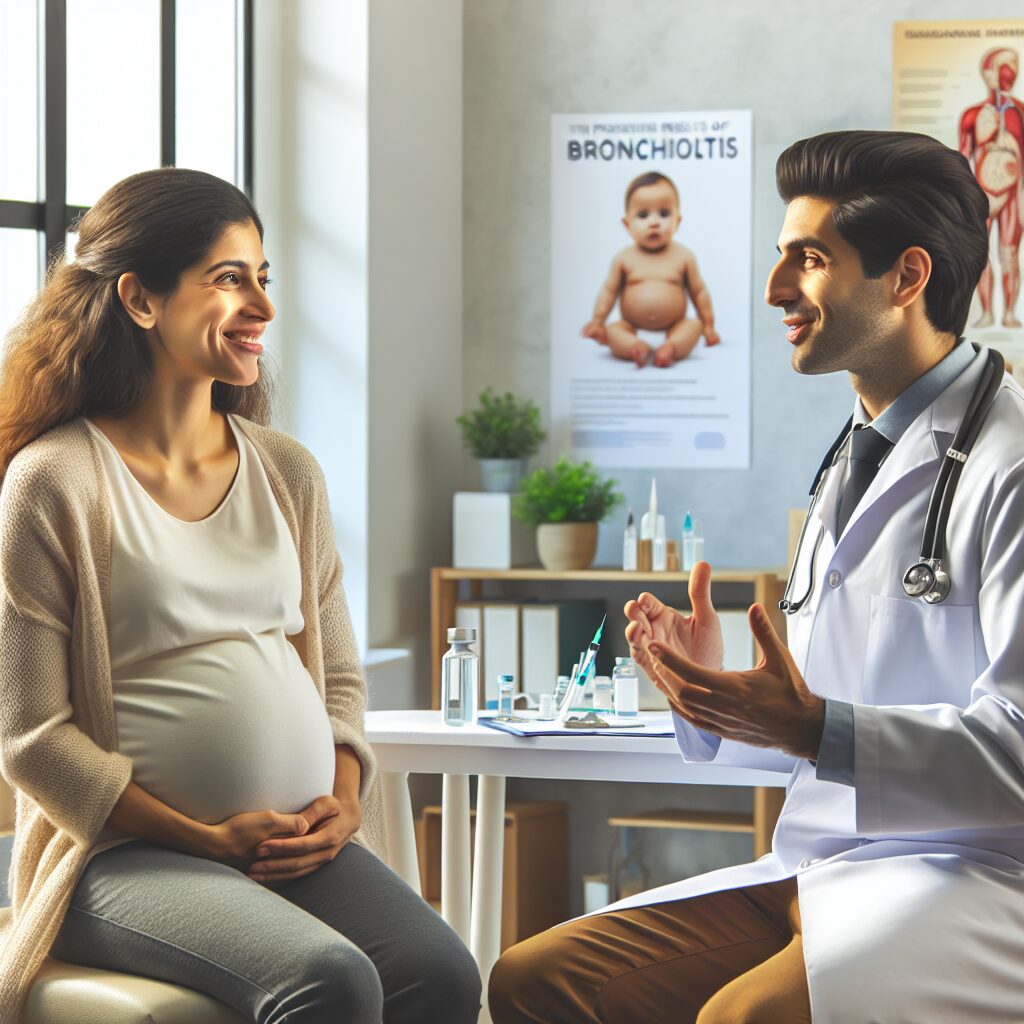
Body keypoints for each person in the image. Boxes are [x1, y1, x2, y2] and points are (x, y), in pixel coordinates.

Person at [490, 130, 1024, 1022]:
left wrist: (816, 727)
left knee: (742, 1019)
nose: (776, 289)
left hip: (973, 874)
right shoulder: (857, 457)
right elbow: (833, 703)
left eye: (809, 260)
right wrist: (714, 686)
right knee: (537, 982)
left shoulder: (1009, 467)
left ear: (907, 277)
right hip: (824, 862)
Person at [0, 168, 481, 1024]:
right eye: (229, 278)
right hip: (117, 855)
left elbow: (336, 680)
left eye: (264, 277)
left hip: (295, 847)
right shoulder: (56, 482)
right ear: (140, 300)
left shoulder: (287, 471)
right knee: (328, 980)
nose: (260, 303)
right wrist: (203, 837)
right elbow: (32, 739)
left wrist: (339, 800)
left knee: (442, 974)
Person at [581, 171, 720, 368]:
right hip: (631, 324)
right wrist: (597, 320)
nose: (654, 222)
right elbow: (608, 291)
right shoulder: (624, 258)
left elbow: (699, 292)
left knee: (693, 326)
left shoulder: (683, 256)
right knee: (613, 330)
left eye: (664, 213)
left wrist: (708, 325)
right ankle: (636, 347)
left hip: (675, 324)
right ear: (627, 224)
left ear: (677, 221)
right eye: (643, 215)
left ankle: (670, 348)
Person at [959, 46, 1024, 330]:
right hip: (980, 194)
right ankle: (987, 313)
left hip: (1013, 193)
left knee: (1009, 254)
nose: (1008, 74)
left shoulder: (1021, 112)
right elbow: (961, 160)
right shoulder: (972, 115)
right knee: (982, 256)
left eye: (1012, 68)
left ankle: (1009, 313)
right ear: (989, 72)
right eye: (1002, 68)